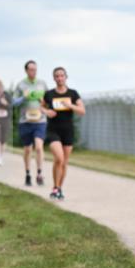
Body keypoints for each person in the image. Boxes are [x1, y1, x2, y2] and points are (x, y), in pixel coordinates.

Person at [42, 67, 85, 200]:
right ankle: (55, 187)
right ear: (54, 78)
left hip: (68, 131)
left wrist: (70, 105)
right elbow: (41, 106)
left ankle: (58, 189)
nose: (60, 78)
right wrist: (46, 112)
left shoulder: (73, 93)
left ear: (66, 77)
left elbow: (82, 111)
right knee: (59, 158)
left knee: (64, 162)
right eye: (57, 76)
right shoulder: (49, 94)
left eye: (62, 76)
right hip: (53, 130)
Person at [13, 61, 48, 187]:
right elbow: (14, 103)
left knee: (39, 147)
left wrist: (43, 101)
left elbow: (47, 101)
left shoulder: (42, 84)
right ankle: (28, 174)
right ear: (26, 71)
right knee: (28, 149)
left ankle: (39, 173)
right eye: (31, 69)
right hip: (25, 121)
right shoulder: (21, 85)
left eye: (35, 69)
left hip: (40, 120)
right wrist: (24, 97)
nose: (34, 72)